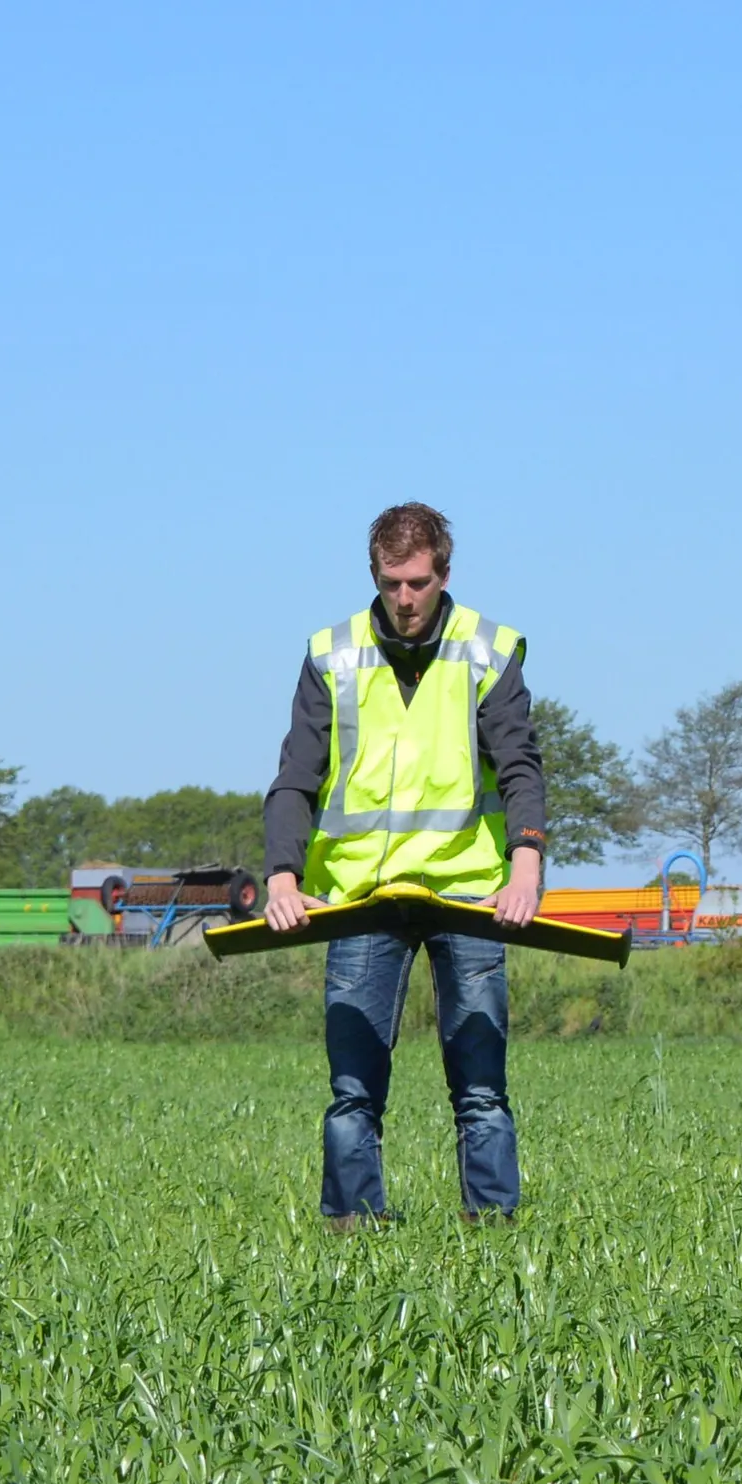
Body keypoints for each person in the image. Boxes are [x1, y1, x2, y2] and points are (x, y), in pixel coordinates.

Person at [262, 501, 552, 1229]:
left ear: (444, 573)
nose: (405, 598)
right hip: (362, 896)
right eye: (391, 582)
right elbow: (296, 775)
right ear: (374, 575)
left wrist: (526, 864)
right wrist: (281, 876)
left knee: (481, 1087)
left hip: (465, 893)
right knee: (353, 1087)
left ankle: (493, 1228)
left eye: (418, 582)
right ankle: (353, 1228)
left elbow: (519, 764)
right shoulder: (332, 653)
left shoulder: (488, 650)